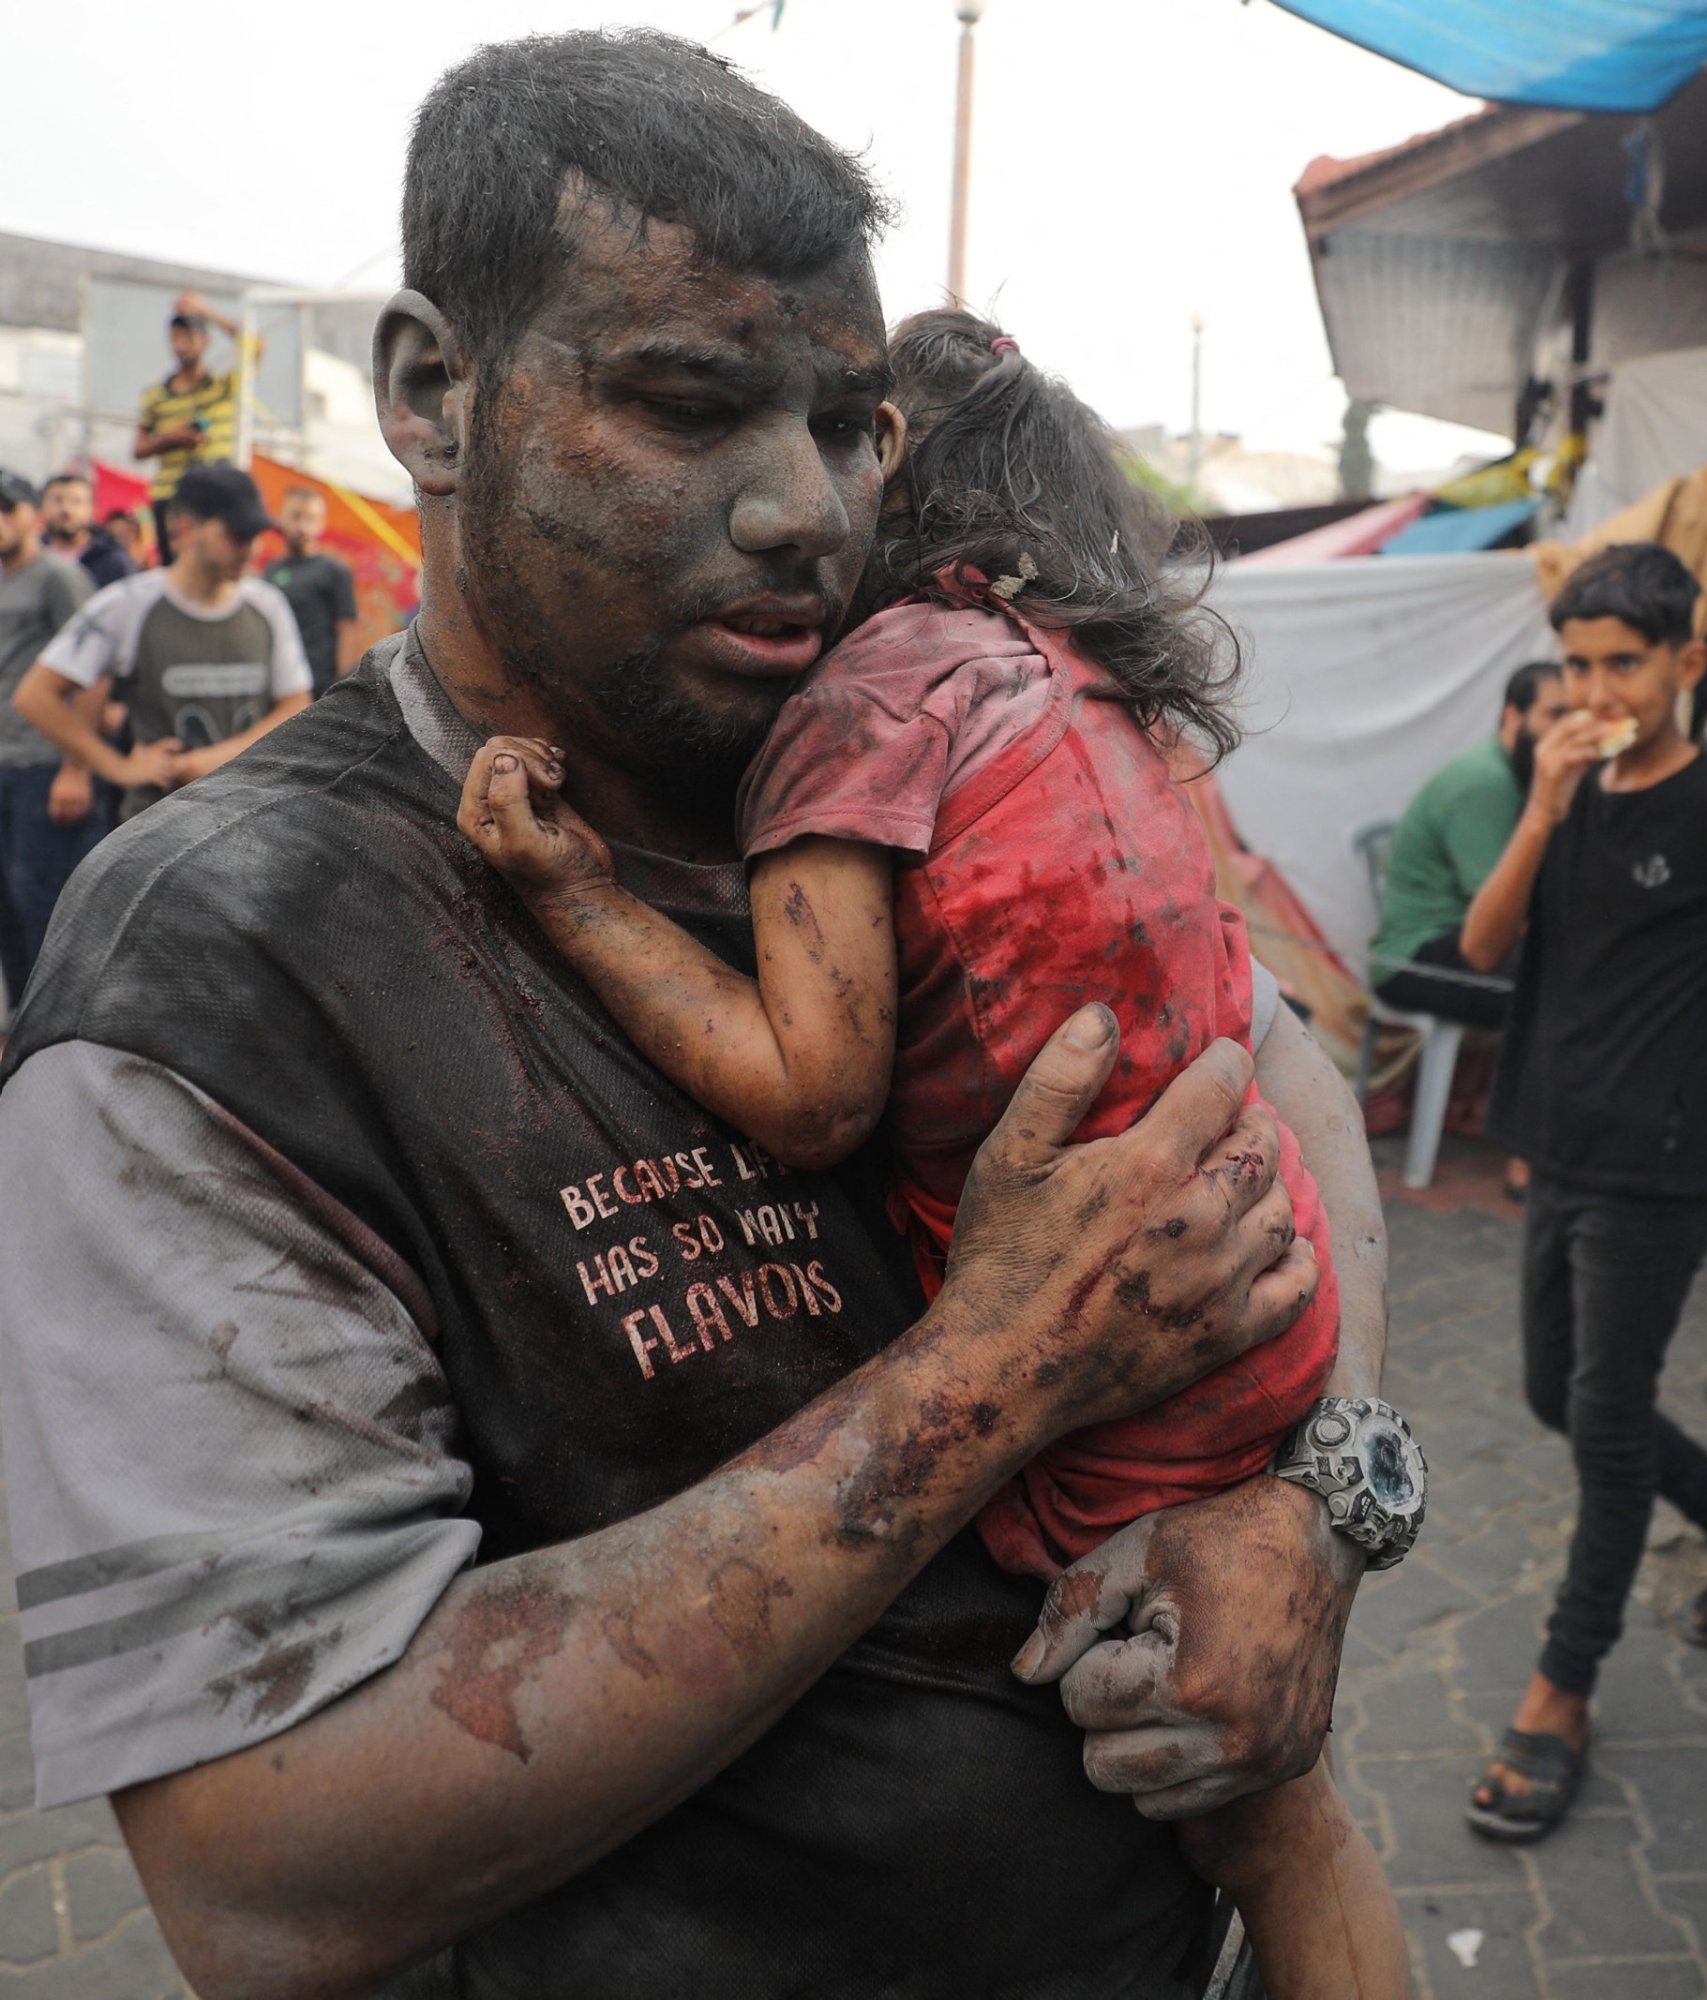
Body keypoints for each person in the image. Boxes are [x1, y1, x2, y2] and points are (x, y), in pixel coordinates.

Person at [0, 32, 1381, 1997]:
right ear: (432, 393)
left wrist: (1321, 1506)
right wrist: (991, 1375)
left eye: (847, 424)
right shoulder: (228, 971)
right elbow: (264, 1864)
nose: (803, 509)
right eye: (685, 403)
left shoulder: (908, 742)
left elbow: (1280, 1087)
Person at [451, 307, 1407, 1999]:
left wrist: (577, 893)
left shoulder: (870, 709)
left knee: (1258, 1804)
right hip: (1275, 1316)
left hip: (1125, 1420)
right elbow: (1264, 1034)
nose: (787, 508)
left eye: (834, 446)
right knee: (1288, 1825)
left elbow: (818, 1095)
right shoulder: (1097, 688)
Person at [1456, 541, 1707, 1842]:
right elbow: (1481, 945)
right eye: (1575, 664)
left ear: (1688, 664)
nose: (1596, 686)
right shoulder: (1553, 781)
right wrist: (1542, 808)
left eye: (1623, 662)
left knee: (1609, 1424)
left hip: (1663, 1165)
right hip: (1559, 1147)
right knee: (1555, 1396)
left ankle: (1562, 1687)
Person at [13, 463, 309, 821]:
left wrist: (215, 761)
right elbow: (35, 696)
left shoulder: (267, 605)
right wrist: (118, 768)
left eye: (255, 535)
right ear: (185, 529)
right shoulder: (128, 604)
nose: (251, 548)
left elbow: (295, 703)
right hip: (155, 826)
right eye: (237, 535)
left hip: (251, 821)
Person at [1369, 657, 1572, 1028]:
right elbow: (1504, 913)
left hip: (1459, 941)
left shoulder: (1518, 773)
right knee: (1562, 988)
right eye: (1554, 715)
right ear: (1513, 716)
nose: (1566, 733)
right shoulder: (1486, 782)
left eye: (1573, 717)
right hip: (1415, 959)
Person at [0, 473, 95, 1000]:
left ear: (32, 515)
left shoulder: (58, 577)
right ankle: (19, 1022)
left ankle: (50, 1026)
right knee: (7, 909)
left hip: (43, 765)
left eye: (7, 508)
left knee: (42, 902)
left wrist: (75, 765)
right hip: (3, 762)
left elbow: (92, 668)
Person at [132, 292, 259, 550]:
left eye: (189, 337)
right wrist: (170, 438)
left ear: (205, 341)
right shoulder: (156, 395)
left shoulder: (223, 387)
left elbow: (254, 346)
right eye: (176, 338)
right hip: (171, 496)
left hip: (216, 494)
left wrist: (207, 312)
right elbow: (139, 448)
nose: (182, 345)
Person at [264, 485, 360, 693]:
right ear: (280, 517)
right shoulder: (271, 571)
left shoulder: (334, 570)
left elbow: (347, 627)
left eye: (311, 518)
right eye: (296, 516)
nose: (303, 527)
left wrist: (342, 686)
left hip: (320, 686)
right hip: (280, 684)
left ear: (322, 523)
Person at [37, 472, 135, 589]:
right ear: (42, 505)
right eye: (57, 500)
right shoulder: (30, 557)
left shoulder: (112, 560)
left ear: (91, 508)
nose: (66, 509)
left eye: (76, 501)